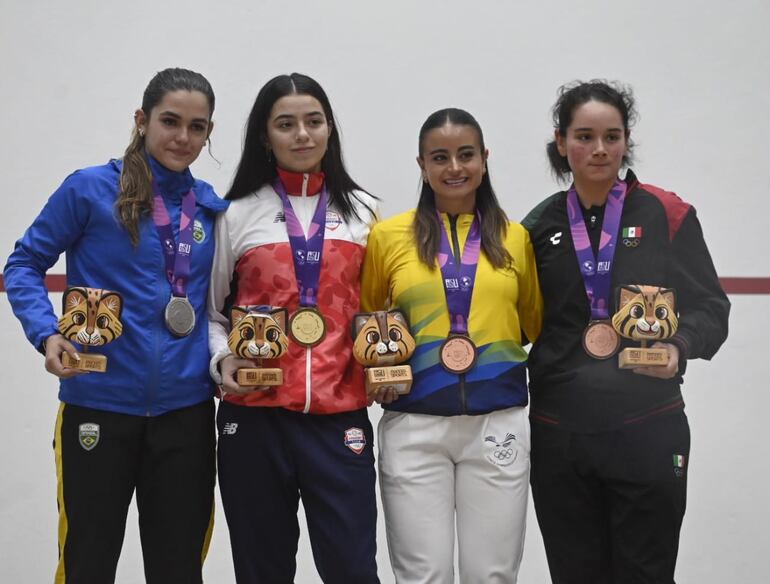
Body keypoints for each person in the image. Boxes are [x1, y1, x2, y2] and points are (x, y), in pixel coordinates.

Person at [3, 68, 226, 584]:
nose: (183, 137)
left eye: (197, 127)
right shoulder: (88, 189)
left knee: (179, 569)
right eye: (170, 121)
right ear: (142, 120)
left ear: (208, 133)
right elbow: (24, 263)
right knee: (87, 564)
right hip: (97, 405)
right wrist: (46, 332)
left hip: (185, 415)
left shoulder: (210, 208)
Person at [521, 80, 730, 583]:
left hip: (648, 428)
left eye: (611, 137)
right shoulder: (535, 227)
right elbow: (514, 323)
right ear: (561, 142)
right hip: (560, 435)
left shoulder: (668, 213)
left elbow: (711, 309)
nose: (599, 149)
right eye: (584, 136)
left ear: (626, 140)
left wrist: (678, 347)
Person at [207, 72, 380, 583]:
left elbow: (377, 313)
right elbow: (211, 314)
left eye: (314, 121)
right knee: (262, 572)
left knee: (352, 571)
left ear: (330, 129)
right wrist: (222, 358)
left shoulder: (365, 212)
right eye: (286, 124)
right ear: (265, 136)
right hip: (254, 419)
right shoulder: (235, 213)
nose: (302, 134)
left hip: (339, 419)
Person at [360, 108, 542, 583]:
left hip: (496, 423)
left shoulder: (515, 237)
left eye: (466, 154)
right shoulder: (388, 237)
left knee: (492, 575)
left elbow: (530, 325)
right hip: (414, 423)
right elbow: (371, 321)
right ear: (422, 165)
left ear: (484, 158)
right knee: (424, 574)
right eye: (440, 157)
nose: (454, 167)